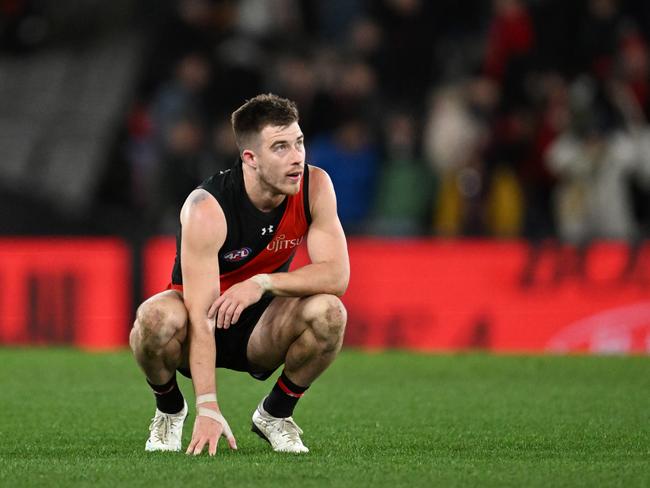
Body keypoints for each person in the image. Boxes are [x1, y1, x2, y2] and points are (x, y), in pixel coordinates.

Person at [129, 93, 350, 455]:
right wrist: (208, 406)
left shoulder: (315, 186)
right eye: (280, 147)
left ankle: (276, 414)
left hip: (261, 327)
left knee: (330, 313)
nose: (297, 157)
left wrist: (261, 283)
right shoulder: (206, 207)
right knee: (151, 320)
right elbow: (201, 316)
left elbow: (337, 276)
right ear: (250, 158)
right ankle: (170, 408)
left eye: (299, 142)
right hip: (197, 323)